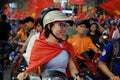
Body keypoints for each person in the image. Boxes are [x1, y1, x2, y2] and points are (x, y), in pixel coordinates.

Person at [17, 8, 81, 80]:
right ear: (49, 26)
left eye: (65, 25)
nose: (64, 29)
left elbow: (73, 71)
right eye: (61, 25)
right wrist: (25, 75)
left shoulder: (66, 46)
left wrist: (78, 78)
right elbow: (32, 70)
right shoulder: (39, 45)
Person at [0, 14, 11, 80]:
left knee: (0, 53)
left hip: (0, 41)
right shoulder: (8, 25)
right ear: (6, 18)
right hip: (6, 41)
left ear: (1, 18)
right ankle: (4, 66)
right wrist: (8, 38)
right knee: (5, 54)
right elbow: (9, 32)